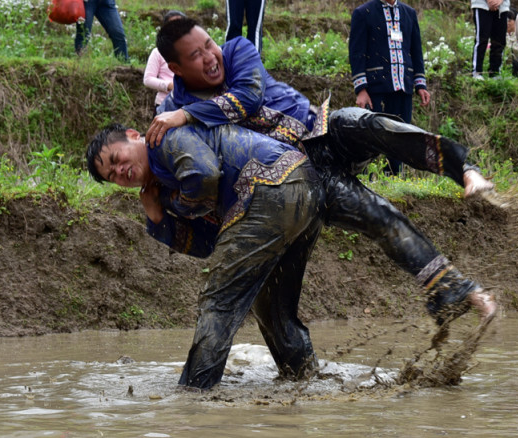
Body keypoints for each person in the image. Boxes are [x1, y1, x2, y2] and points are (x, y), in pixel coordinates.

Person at [86, 122, 496, 390]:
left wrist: (177, 204)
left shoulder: (169, 139)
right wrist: (161, 220)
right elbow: (216, 244)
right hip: (292, 191)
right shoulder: (165, 188)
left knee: (220, 300)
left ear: (134, 135)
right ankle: (303, 378)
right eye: (111, 176)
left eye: (117, 160)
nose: (120, 173)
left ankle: (193, 395)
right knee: (271, 306)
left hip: (281, 175)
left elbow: (207, 177)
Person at [148, 18, 493, 199]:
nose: (210, 57)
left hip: (321, 131)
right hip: (295, 175)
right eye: (196, 55)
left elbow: (248, 99)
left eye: (209, 44)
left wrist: (188, 115)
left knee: (377, 129)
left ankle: (464, 169)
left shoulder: (237, 51)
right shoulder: (174, 107)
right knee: (378, 218)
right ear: (175, 68)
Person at [348, 0, 431, 175]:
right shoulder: (364, 13)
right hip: (375, 88)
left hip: (403, 86)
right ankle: (371, 178)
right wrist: (361, 89)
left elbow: (416, 51)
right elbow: (356, 53)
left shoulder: (409, 13)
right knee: (373, 136)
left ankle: (394, 177)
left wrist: (420, 84)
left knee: (400, 136)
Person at [143, 10, 186, 115]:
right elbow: (148, 79)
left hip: (189, 106)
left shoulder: (192, 51)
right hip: (164, 105)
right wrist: (169, 85)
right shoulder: (158, 52)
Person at [471, 0, 511, 79]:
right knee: (482, 40)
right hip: (482, 5)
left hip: (502, 7)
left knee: (499, 41)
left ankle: (495, 72)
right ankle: (477, 72)